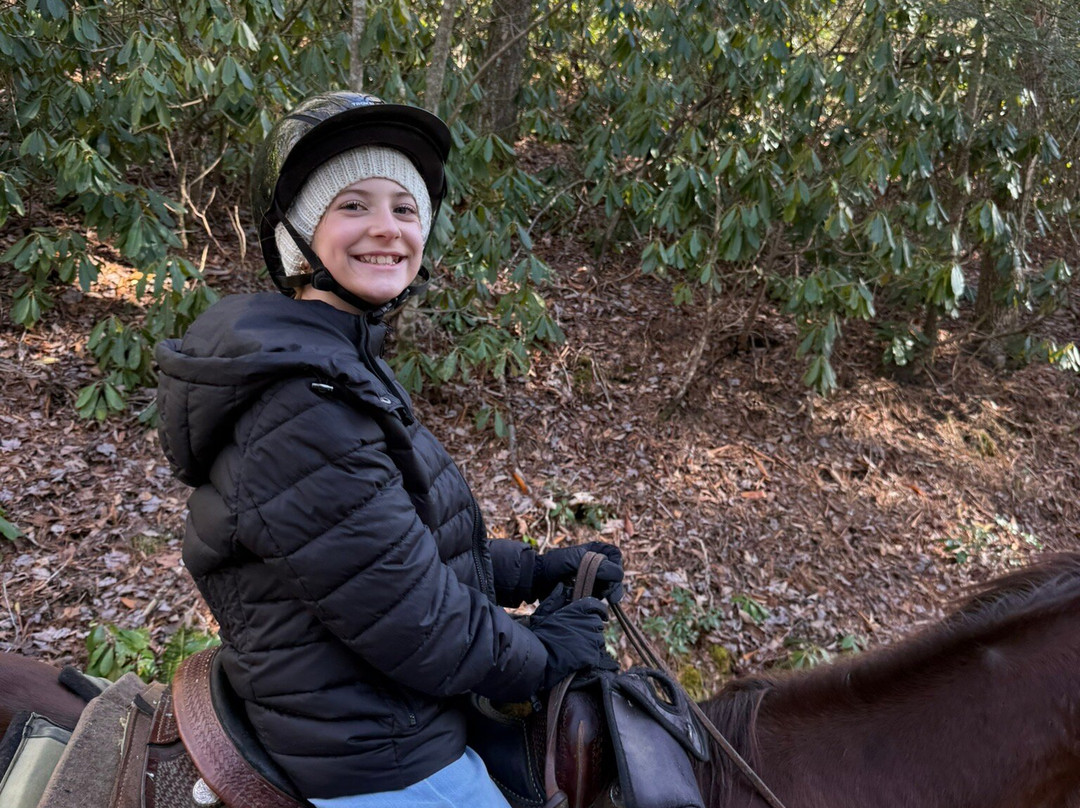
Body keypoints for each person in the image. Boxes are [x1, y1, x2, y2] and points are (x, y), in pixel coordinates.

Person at [154, 91, 623, 807]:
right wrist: (543, 654)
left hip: (381, 707)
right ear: (299, 236)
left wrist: (527, 570)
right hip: (376, 750)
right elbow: (410, 616)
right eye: (353, 206)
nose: (387, 228)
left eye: (405, 210)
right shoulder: (298, 405)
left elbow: (389, 550)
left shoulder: (335, 365)